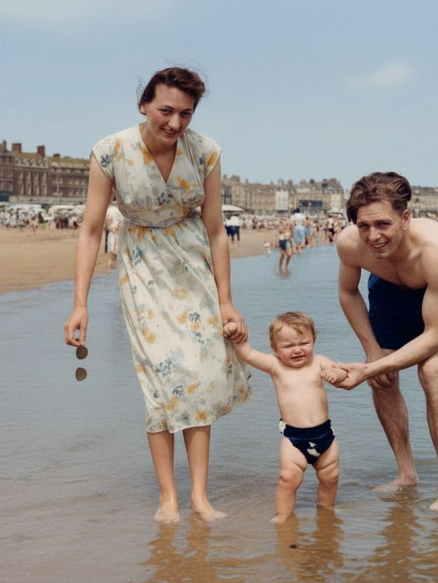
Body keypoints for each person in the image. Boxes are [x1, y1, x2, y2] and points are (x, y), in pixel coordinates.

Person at [63, 67, 252, 524]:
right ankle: (168, 497)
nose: (175, 123)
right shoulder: (109, 152)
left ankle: (200, 497)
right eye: (165, 110)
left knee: (203, 374)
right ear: (143, 104)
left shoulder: (205, 152)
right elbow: (90, 232)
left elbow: (215, 230)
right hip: (141, 266)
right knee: (160, 381)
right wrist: (80, 303)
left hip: (193, 266)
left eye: (185, 113)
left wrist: (226, 300)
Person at [333, 172, 438, 511]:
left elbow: (432, 337)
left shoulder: (436, 251)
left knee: (432, 369)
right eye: (364, 226)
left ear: (406, 218)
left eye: (383, 224)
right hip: (389, 290)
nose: (373, 236)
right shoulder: (350, 244)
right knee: (383, 379)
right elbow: (348, 292)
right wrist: (372, 352)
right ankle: (406, 474)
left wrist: (368, 369)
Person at [226, 312, 346, 524]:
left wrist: (335, 375)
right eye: (288, 346)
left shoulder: (319, 362)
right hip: (294, 438)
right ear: (274, 348)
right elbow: (248, 354)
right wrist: (236, 334)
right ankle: (283, 515)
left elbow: (341, 372)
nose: (297, 349)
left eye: (303, 343)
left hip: (324, 435)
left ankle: (326, 510)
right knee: (287, 479)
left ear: (314, 340)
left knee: (330, 477)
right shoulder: (275, 366)